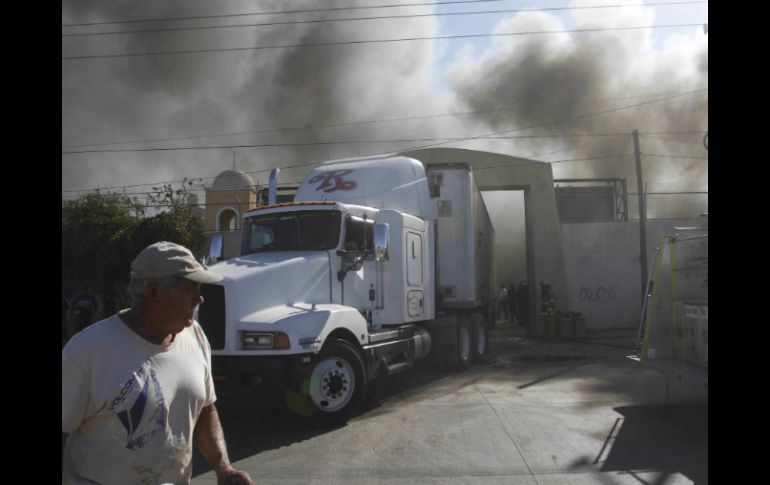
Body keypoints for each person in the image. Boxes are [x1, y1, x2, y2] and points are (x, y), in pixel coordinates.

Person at [62, 241, 253, 485]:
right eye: (191, 289)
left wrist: (223, 467)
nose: (200, 299)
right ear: (155, 292)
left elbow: (206, 409)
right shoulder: (88, 351)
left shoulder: (194, 336)